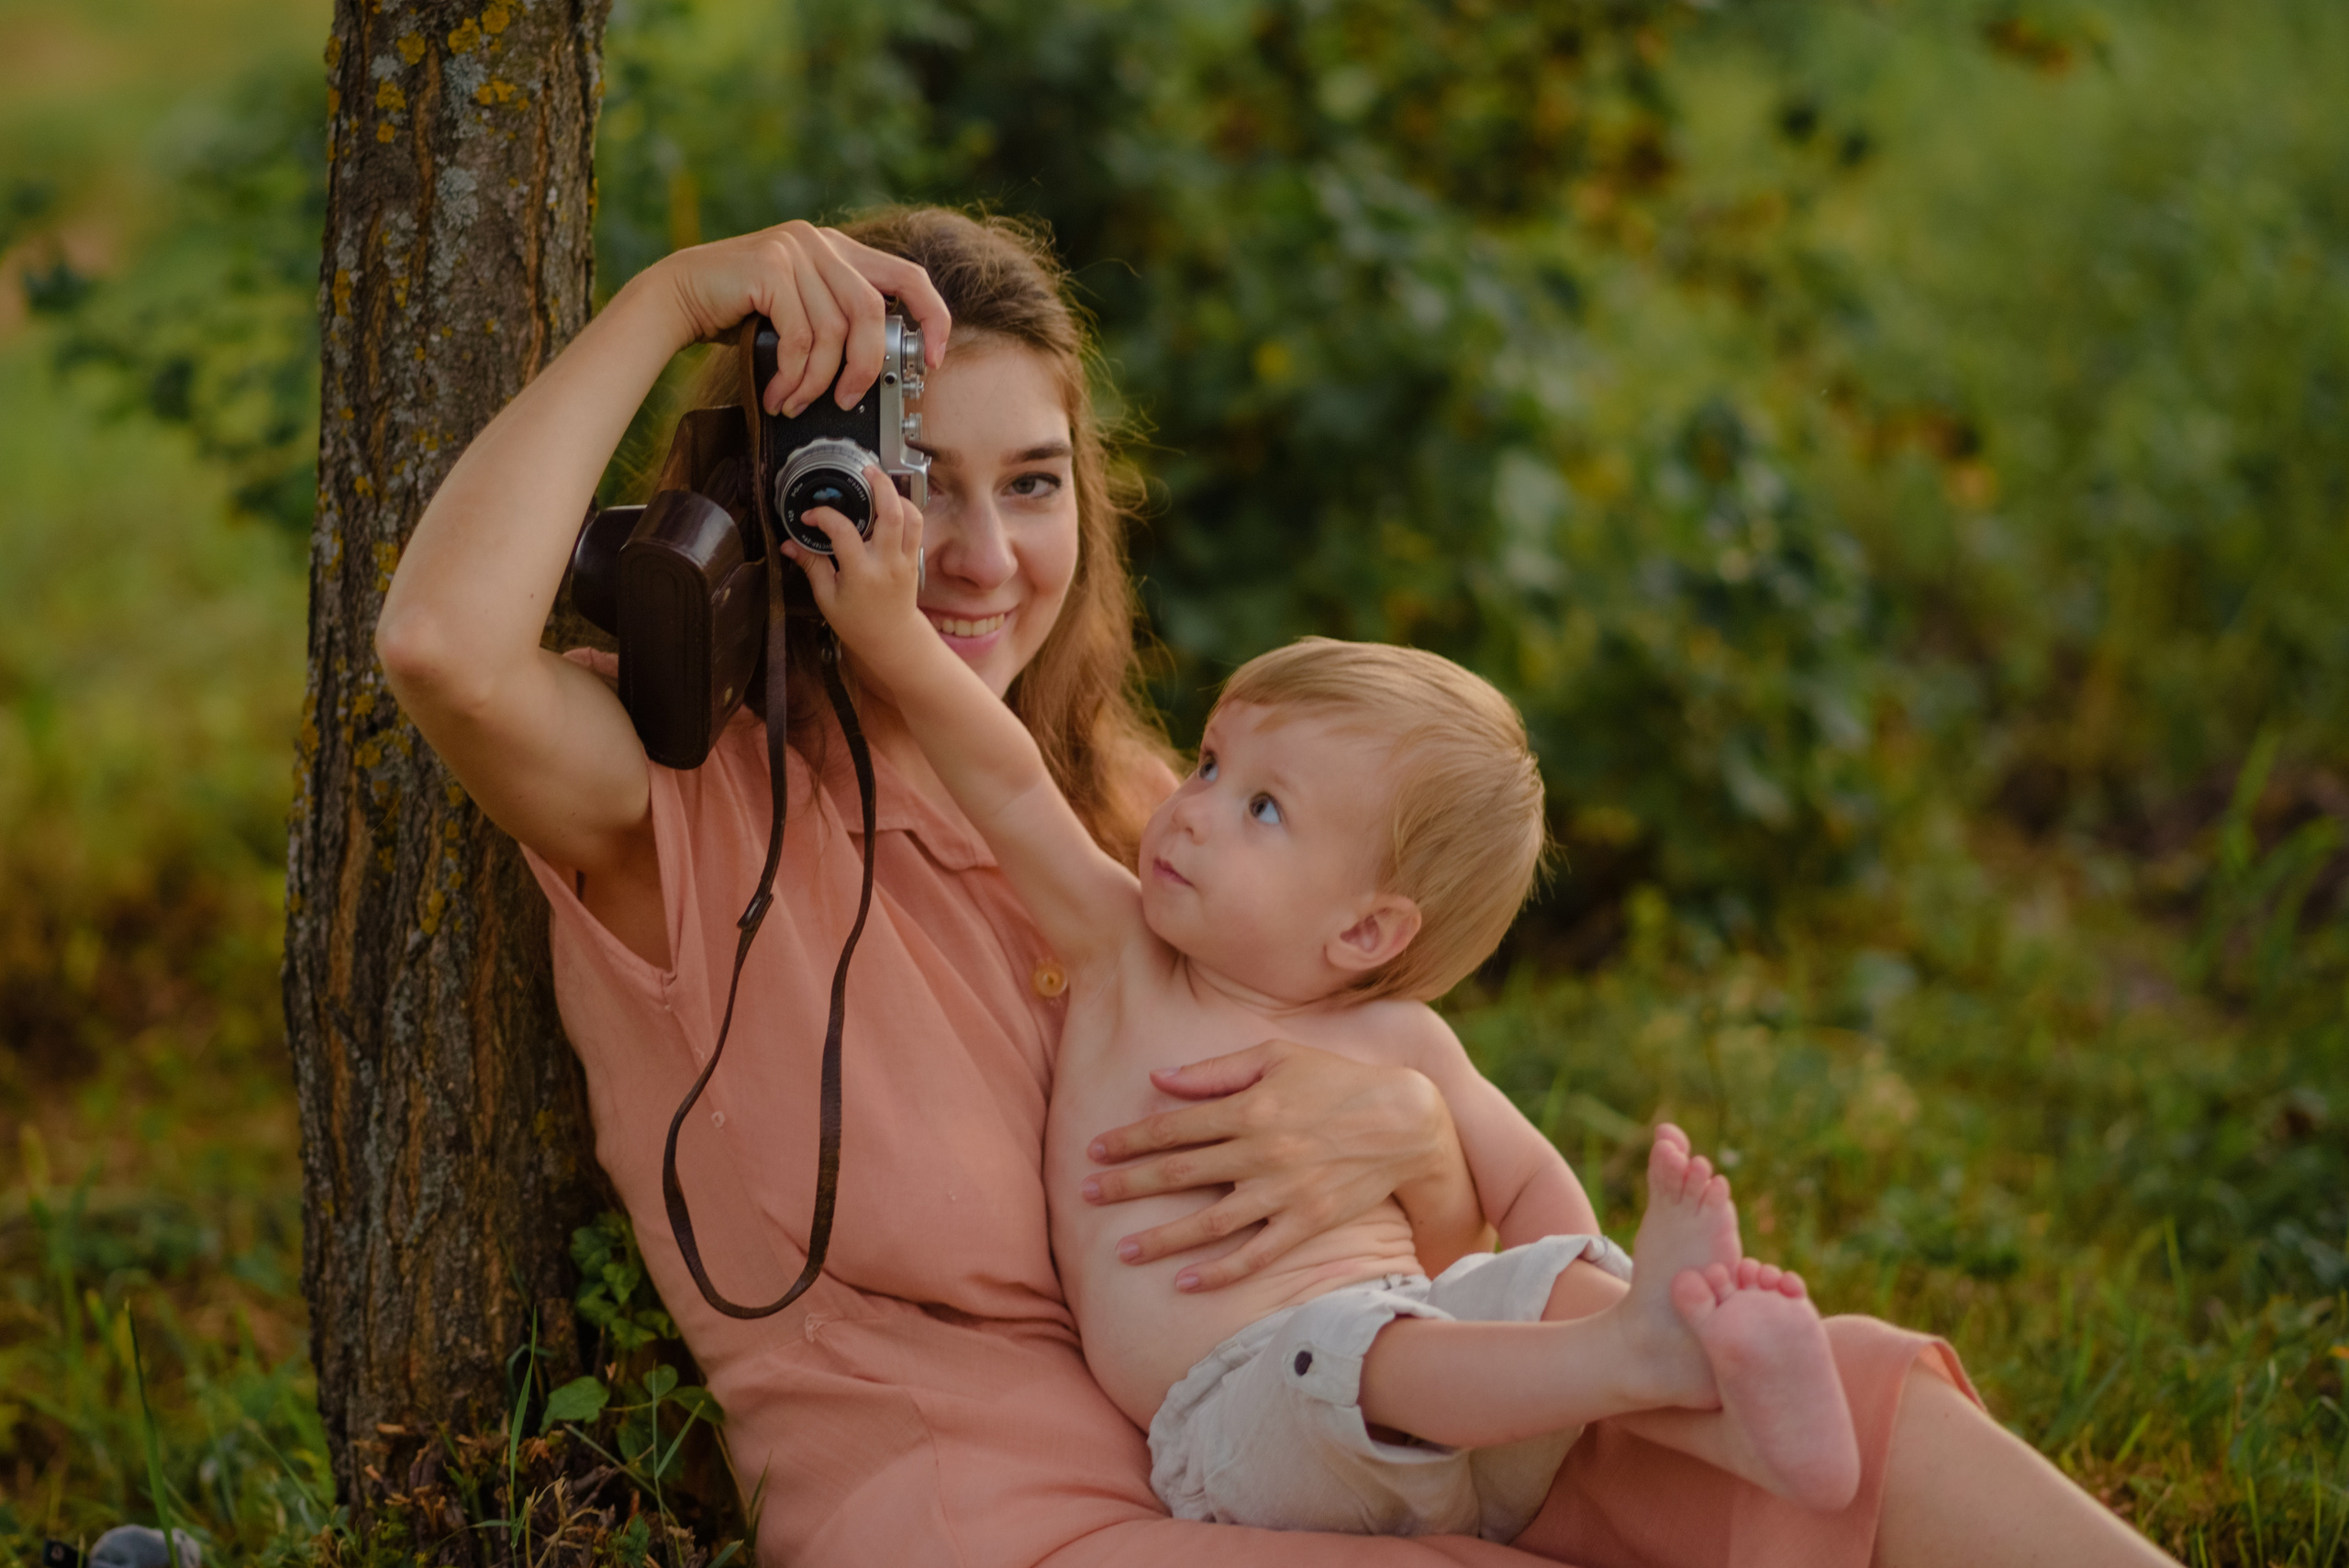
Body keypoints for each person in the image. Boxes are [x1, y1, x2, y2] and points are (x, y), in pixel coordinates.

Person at [378, 206, 2181, 1567]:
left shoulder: (1155, 806)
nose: (987, 557)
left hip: (1348, 1425)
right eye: (921, 487)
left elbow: (1450, 1169)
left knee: (1860, 1417)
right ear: (801, 493)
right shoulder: (681, 811)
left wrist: (1391, 1121)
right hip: (1014, 1517)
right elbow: (444, 646)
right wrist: (678, 296)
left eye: (1034, 482)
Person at [784, 453, 1868, 1534]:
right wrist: (895, 640)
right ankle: (1638, 1354)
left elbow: (1533, 1193)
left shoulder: (1403, 1039)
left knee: (1489, 1295)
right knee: (1350, 1352)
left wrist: (1557, 1285)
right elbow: (1011, 782)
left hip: (1444, 1404)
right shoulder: (1125, 953)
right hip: (1238, 1416)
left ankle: (1704, 1390)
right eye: (1209, 764)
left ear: (1364, 929)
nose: (1193, 807)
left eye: (1261, 808)